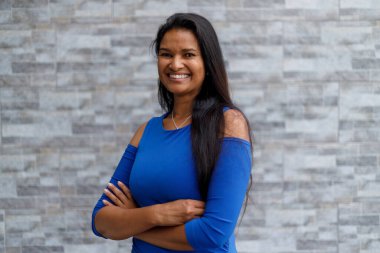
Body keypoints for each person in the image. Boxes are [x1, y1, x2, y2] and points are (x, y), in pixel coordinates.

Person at [91, 13, 253, 253]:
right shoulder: (147, 131)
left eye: (188, 54)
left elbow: (212, 234)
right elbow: (101, 220)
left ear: (208, 63)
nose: (175, 64)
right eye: (166, 54)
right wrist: (158, 214)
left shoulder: (228, 123)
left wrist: (132, 220)